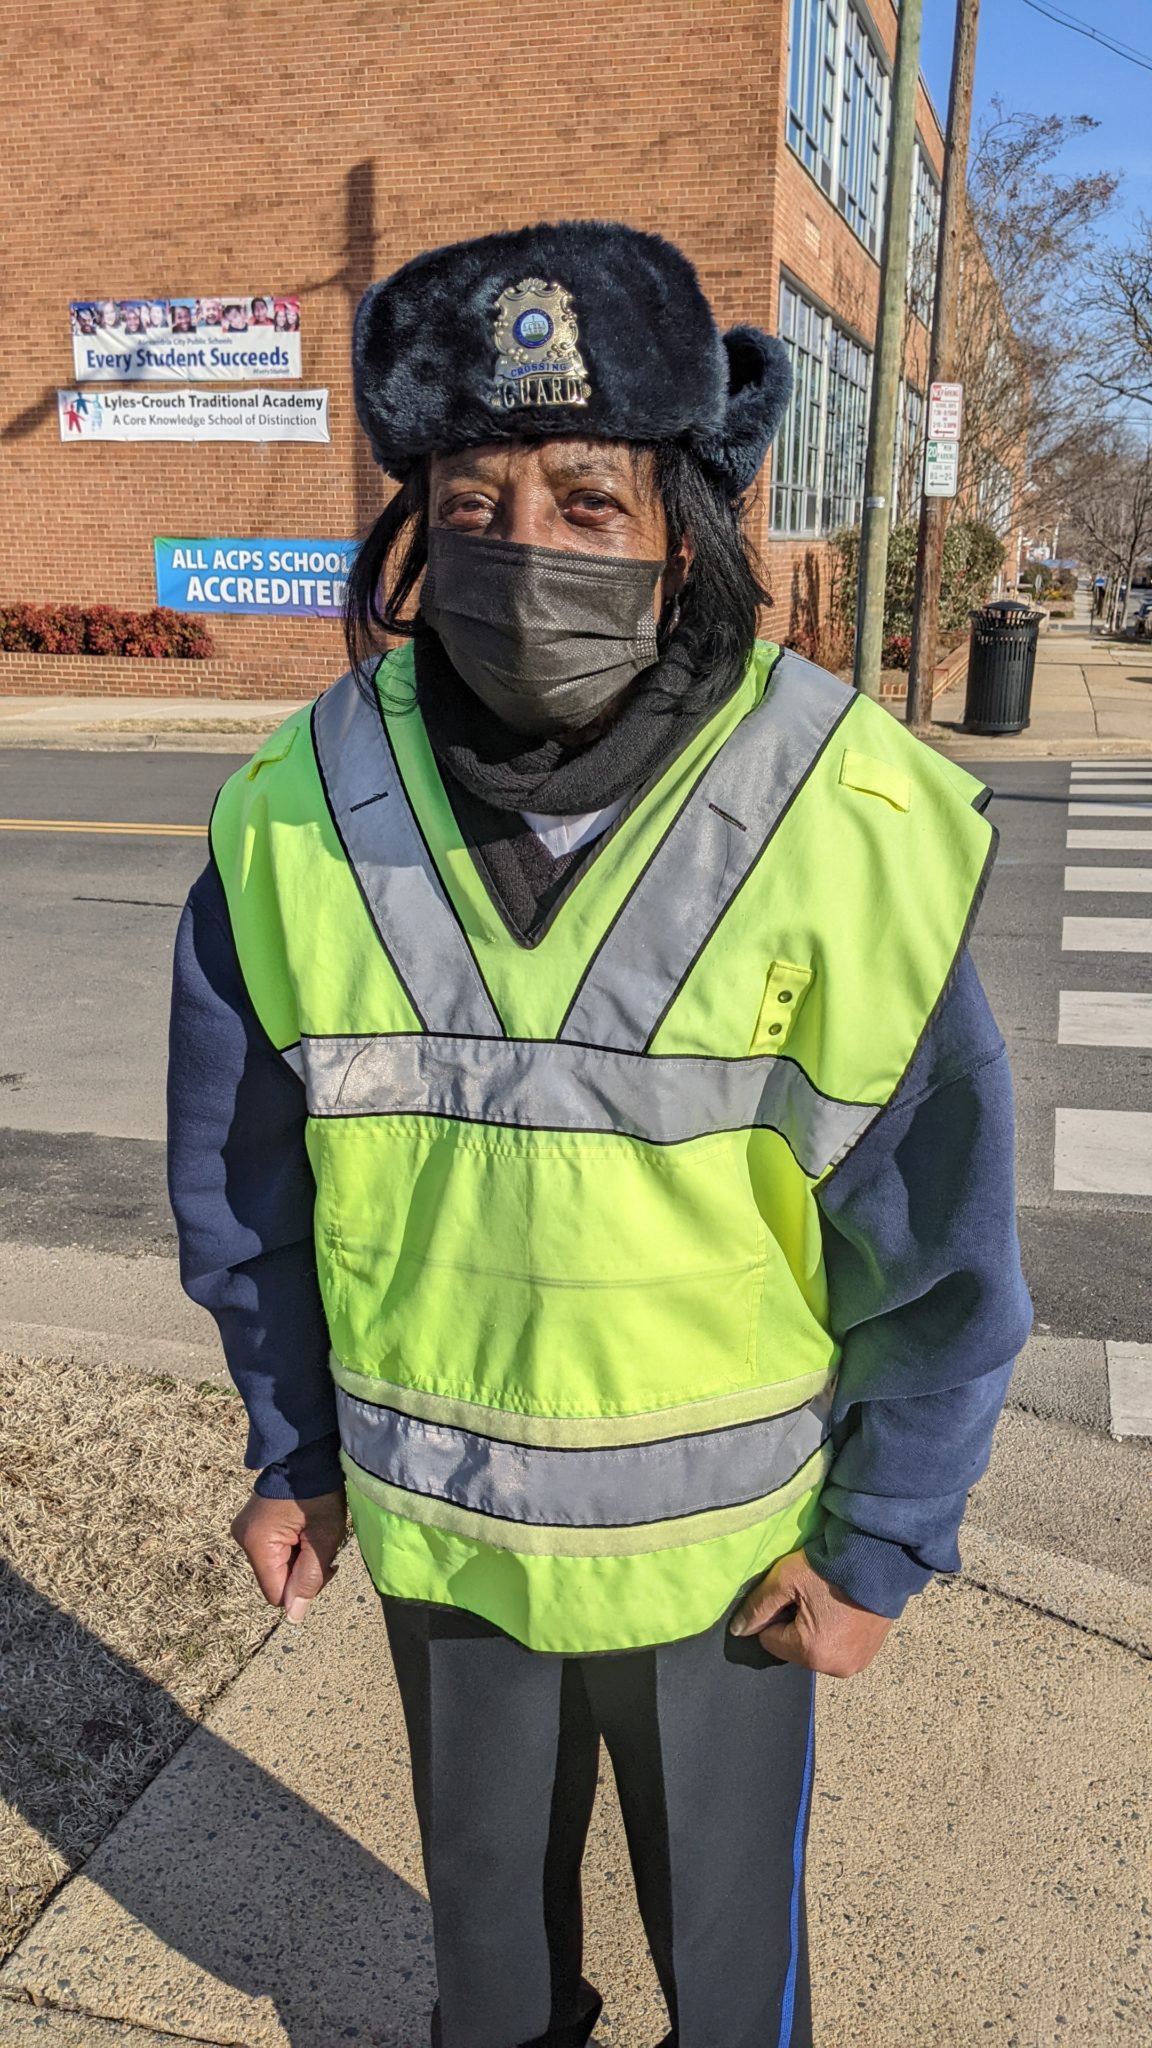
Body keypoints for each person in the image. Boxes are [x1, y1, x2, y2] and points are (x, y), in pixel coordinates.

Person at [169, 220, 1031, 2048]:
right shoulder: (294, 812)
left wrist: (881, 1546)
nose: (521, 550)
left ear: (683, 525)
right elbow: (248, 1198)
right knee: (487, 1982)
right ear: (410, 525)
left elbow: (942, 1245)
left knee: (733, 1989)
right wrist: (289, 1446)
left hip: (729, 1574)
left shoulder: (841, 817)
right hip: (448, 1543)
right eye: (469, 501)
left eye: (585, 500)